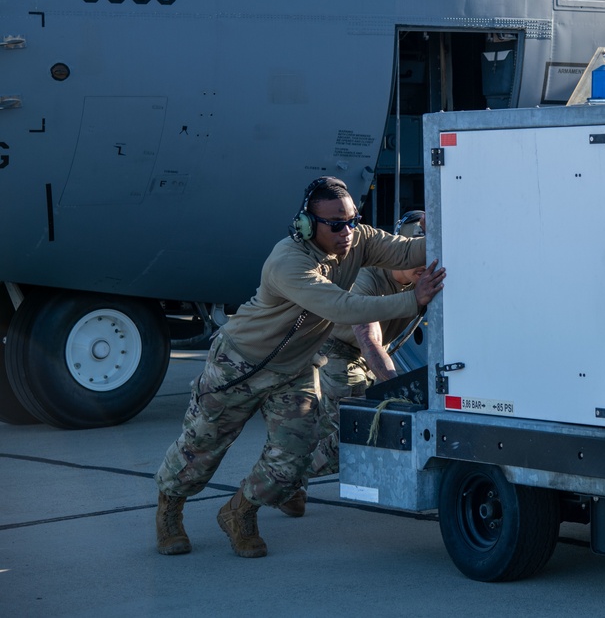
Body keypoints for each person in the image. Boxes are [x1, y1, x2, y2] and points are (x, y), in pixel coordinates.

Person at [153, 177, 445, 558]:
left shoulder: (357, 241)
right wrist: (413, 299)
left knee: (295, 456)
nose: (347, 232)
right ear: (307, 224)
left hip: (295, 367)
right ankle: (170, 510)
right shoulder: (287, 261)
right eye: (336, 224)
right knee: (202, 446)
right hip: (239, 363)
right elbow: (343, 307)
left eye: (353, 221)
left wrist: (459, 231)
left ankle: (240, 512)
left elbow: (409, 252)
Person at [278, 210, 427, 518]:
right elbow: (369, 341)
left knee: (345, 429)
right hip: (336, 349)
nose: (426, 266)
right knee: (357, 429)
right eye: (417, 256)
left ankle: (288, 475)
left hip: (366, 355)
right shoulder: (368, 277)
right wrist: (396, 391)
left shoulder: (423, 280)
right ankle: (283, 476)